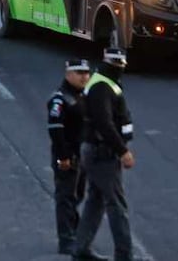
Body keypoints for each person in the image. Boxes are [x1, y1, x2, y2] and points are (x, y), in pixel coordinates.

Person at [71, 48, 137, 261]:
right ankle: (124, 255)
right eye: (119, 65)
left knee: (95, 202)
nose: (121, 69)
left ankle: (80, 249)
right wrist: (123, 151)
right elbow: (104, 123)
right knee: (117, 206)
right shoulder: (101, 87)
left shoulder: (103, 82)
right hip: (103, 154)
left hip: (97, 152)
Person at [49, 59, 92, 256]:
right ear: (68, 75)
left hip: (81, 156)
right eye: (79, 73)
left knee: (77, 195)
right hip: (67, 157)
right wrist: (63, 157)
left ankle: (74, 234)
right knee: (65, 198)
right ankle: (66, 240)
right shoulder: (60, 99)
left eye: (86, 73)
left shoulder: (83, 96)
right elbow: (56, 131)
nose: (84, 76)